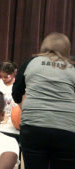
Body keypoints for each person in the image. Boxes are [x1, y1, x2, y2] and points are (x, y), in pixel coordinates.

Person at [12, 32, 75, 169]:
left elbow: (16, 93)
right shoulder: (73, 67)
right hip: (67, 131)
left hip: (33, 128)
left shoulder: (30, 63)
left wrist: (28, 108)